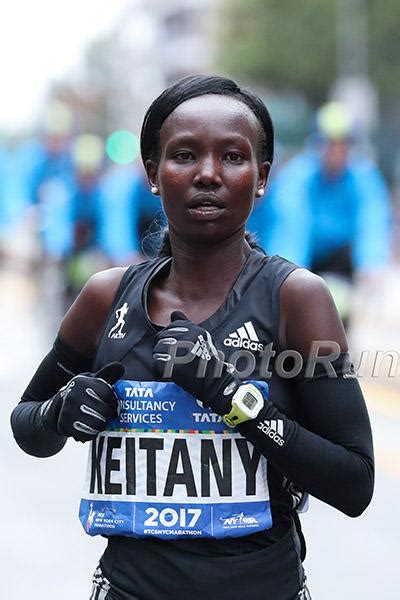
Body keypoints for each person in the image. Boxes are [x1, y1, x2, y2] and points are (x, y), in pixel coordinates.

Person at [10, 76, 374, 599]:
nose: (208, 174)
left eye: (232, 156)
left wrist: (232, 400)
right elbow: (27, 425)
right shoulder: (104, 297)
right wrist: (61, 410)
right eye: (184, 156)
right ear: (153, 174)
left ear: (262, 176)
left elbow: (355, 482)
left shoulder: (297, 299)